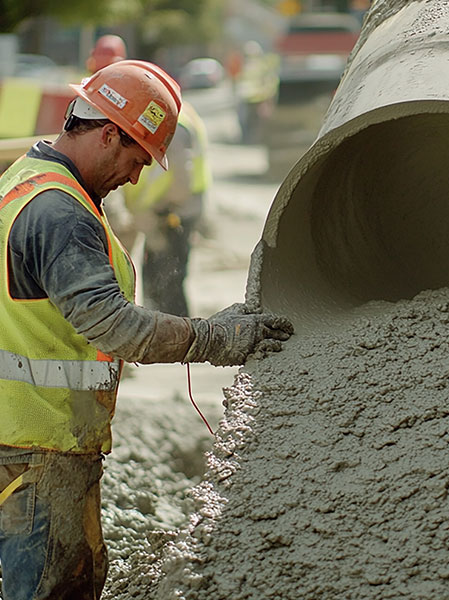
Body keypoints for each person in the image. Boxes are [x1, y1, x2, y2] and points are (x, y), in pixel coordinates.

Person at [0, 60, 292, 599]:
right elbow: (116, 329)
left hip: (20, 434)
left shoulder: (24, 180)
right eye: (137, 159)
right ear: (109, 133)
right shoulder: (60, 214)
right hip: (38, 445)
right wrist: (215, 338)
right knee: (56, 589)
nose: (136, 177)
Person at [86, 34, 212, 316]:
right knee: (154, 275)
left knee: (169, 279)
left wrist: (159, 218)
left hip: (174, 211)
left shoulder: (166, 119)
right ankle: (160, 331)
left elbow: (181, 178)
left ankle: (178, 340)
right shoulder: (133, 111)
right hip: (157, 211)